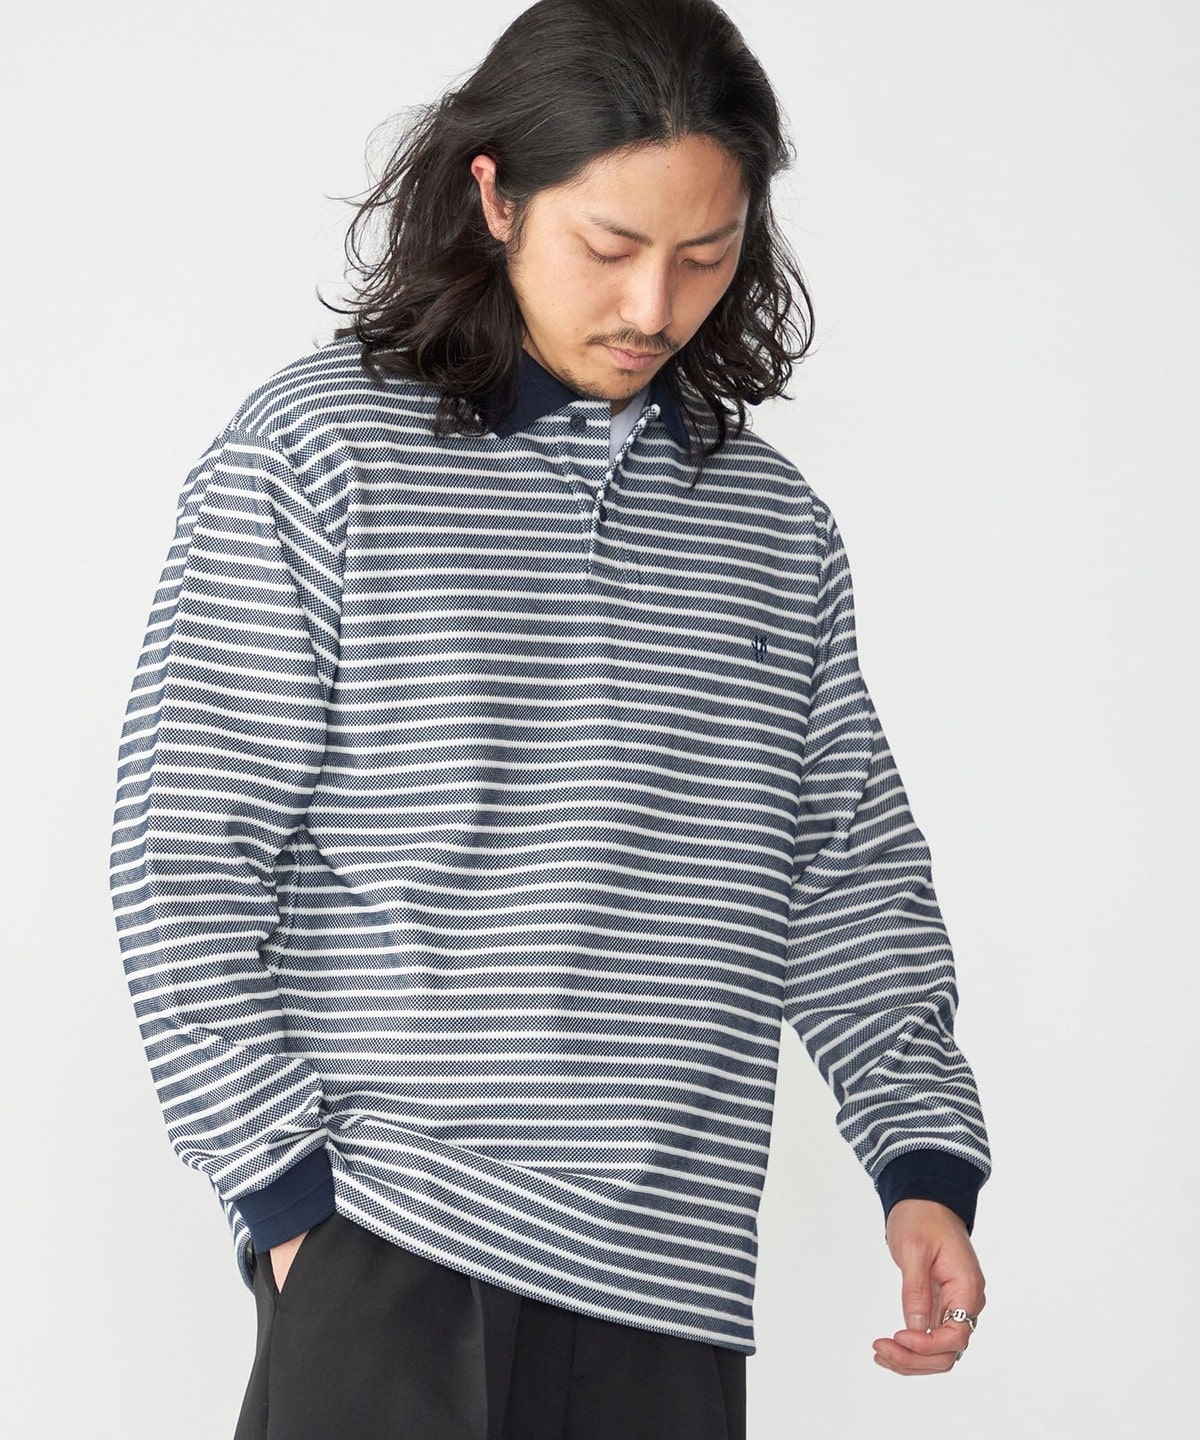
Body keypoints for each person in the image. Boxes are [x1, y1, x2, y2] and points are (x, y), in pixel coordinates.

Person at [108, 1, 990, 1435]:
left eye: (704, 256)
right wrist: (283, 1200)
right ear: (497, 194)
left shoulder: (772, 530)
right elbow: (185, 855)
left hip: (670, 1279)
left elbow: (845, 869)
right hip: (394, 1238)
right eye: (610, 246)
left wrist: (924, 1160)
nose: (654, 306)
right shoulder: (316, 456)